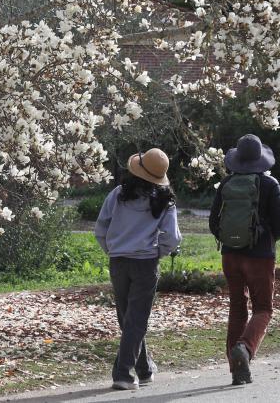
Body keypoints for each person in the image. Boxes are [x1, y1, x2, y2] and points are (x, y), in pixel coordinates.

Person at [94, 148, 182, 391]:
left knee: (128, 318)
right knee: (135, 320)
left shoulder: (118, 194)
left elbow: (101, 229)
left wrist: (113, 249)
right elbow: (172, 238)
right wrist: (157, 252)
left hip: (118, 261)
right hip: (145, 262)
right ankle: (123, 373)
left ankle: (144, 369)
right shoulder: (165, 200)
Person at [209, 133, 280, 386]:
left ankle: (237, 370)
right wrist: (266, 240)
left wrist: (231, 240)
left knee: (237, 307)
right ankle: (244, 348)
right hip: (260, 257)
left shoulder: (226, 183)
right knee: (263, 309)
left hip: (230, 256)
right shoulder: (270, 184)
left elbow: (213, 222)